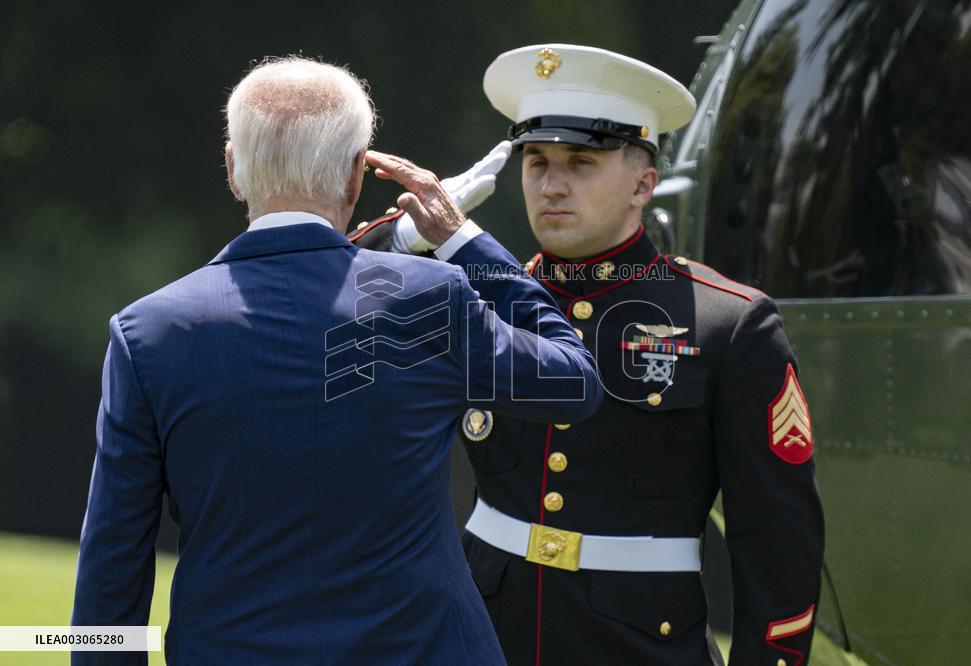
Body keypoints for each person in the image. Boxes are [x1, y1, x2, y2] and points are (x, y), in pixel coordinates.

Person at [71, 56, 603, 665]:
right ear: (356, 176)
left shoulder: (148, 332)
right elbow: (573, 381)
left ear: (233, 170)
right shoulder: (430, 297)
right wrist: (464, 241)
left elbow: (113, 563)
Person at [352, 44, 825, 666]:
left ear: (643, 184)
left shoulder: (727, 323)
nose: (552, 185)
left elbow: (778, 542)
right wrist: (401, 237)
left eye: (581, 162)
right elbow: (327, 305)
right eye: (537, 162)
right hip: (485, 637)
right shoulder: (477, 296)